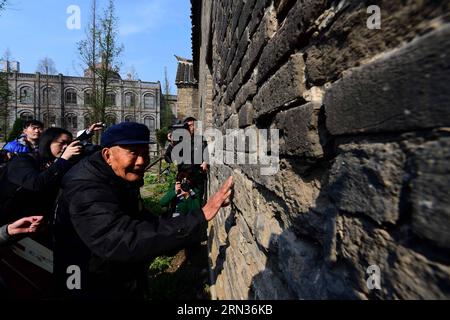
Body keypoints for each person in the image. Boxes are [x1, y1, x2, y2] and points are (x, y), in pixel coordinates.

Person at [53, 122, 233, 299]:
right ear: (107, 155)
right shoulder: (86, 188)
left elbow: (141, 219)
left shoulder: (118, 176)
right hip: (85, 279)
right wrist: (199, 217)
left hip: (118, 273)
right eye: (133, 153)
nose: (141, 161)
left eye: (145, 153)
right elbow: (121, 238)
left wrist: (185, 226)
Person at [0, 127, 82, 226]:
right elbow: (35, 183)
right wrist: (64, 159)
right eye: (62, 143)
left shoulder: (56, 164)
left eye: (69, 144)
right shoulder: (22, 160)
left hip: (38, 222)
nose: (66, 147)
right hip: (10, 222)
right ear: (47, 142)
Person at [165, 117, 209, 202]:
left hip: (198, 175)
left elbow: (206, 152)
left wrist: (205, 162)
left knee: (197, 200)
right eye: (189, 125)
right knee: (182, 200)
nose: (191, 127)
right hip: (184, 176)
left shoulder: (200, 139)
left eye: (193, 125)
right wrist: (171, 143)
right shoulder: (179, 140)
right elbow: (168, 157)